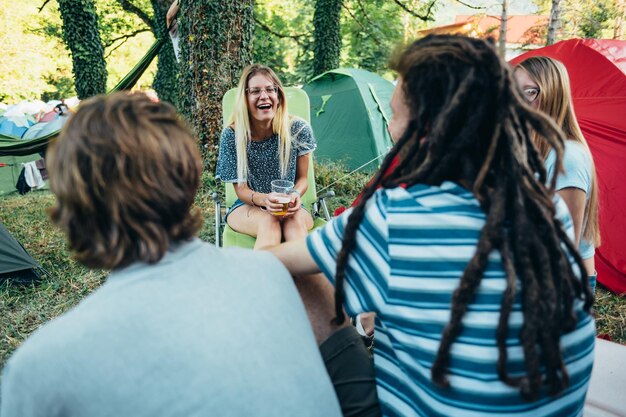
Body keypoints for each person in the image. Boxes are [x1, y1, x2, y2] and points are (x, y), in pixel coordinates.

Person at [270, 35, 595, 416]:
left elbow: (275, 261)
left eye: (393, 116)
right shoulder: (547, 205)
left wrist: (264, 232)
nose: (389, 130)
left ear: (425, 131)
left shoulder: (396, 215)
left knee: (308, 279)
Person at [0, 92, 343, 417]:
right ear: (189, 176)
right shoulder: (279, 277)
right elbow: (353, 383)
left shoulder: (39, 369)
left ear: (70, 204)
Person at [515, 56, 600, 293]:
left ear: (552, 94)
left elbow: (563, 249)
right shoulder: (531, 147)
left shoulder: (567, 157)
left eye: (529, 92)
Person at [216, 64, 315, 250]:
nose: (264, 96)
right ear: (245, 99)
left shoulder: (298, 129)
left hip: (291, 206)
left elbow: (302, 179)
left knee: (294, 222)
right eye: (255, 91)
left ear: (278, 96)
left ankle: (303, 276)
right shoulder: (232, 135)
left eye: (270, 89)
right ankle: (264, 278)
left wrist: (294, 194)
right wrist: (266, 200)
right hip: (248, 206)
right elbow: (241, 190)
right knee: (270, 221)